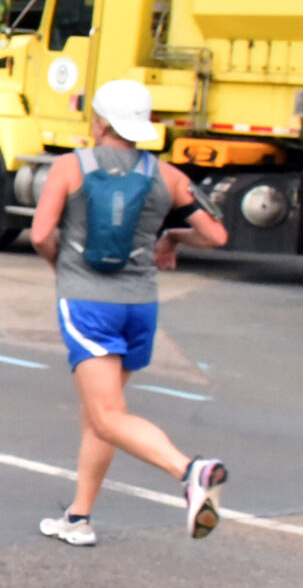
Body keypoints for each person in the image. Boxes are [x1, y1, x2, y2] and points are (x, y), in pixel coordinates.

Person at [31, 77, 231, 546]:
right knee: (103, 414)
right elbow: (217, 235)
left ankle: (190, 471)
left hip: (88, 302)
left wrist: (61, 266)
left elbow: (41, 234)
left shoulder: (69, 167)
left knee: (104, 415)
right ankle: (78, 518)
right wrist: (172, 238)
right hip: (139, 305)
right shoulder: (168, 177)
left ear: (98, 122)